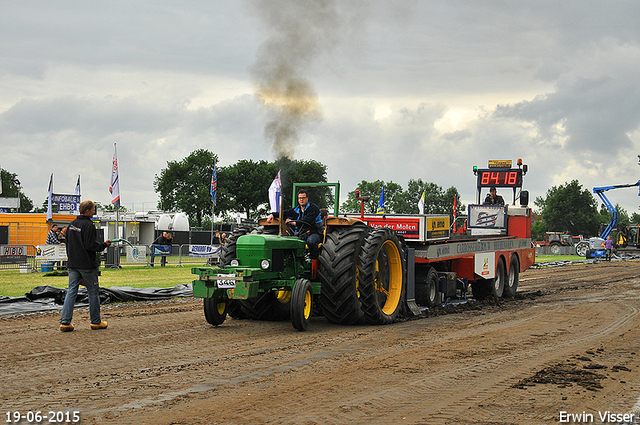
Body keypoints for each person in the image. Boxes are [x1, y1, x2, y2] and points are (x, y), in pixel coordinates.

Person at [59, 200, 111, 332]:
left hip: (72, 264)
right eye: (93, 209)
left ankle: (65, 322)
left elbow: (69, 244)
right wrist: (104, 245)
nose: (94, 211)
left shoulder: (71, 225)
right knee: (93, 293)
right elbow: (90, 245)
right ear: (87, 211)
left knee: (71, 291)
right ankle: (95, 322)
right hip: (87, 265)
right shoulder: (88, 225)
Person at [266, 189, 323, 259]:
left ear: (307, 198)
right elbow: (285, 213)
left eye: (303, 198)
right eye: (299, 198)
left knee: (311, 241)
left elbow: (307, 221)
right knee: (290, 242)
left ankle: (314, 259)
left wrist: (293, 222)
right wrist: (273, 215)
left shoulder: (314, 208)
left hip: (314, 232)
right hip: (301, 233)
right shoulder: (296, 209)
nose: (301, 200)